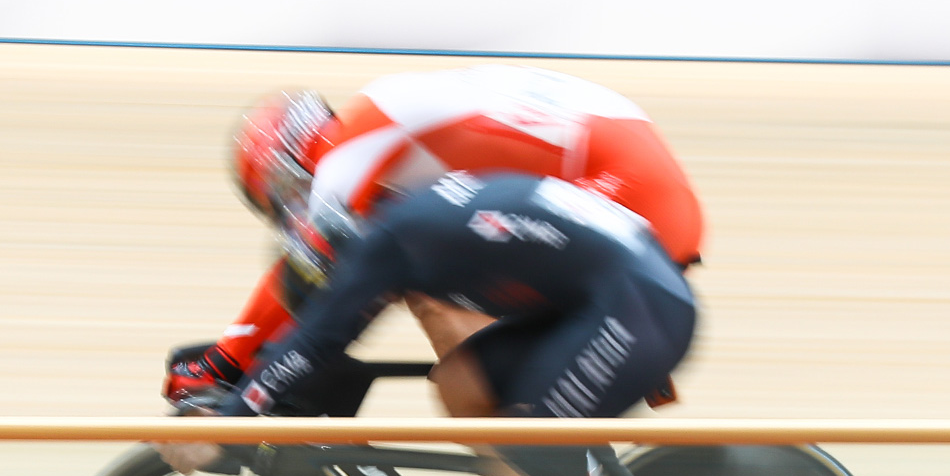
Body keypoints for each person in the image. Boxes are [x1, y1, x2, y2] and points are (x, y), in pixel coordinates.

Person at [160, 168, 697, 476]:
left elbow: (315, 339)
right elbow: (322, 337)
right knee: (459, 379)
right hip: (614, 292)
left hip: (641, 303)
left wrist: (230, 415)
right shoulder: (402, 228)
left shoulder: (392, 245)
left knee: (527, 461)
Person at [163, 63, 704, 408]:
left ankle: (536, 460)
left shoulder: (348, 148)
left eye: (280, 204)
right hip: (630, 169)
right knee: (419, 268)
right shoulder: (380, 135)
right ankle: (533, 448)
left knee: (423, 289)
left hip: (627, 186)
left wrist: (225, 360)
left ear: (285, 172)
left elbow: (309, 270)